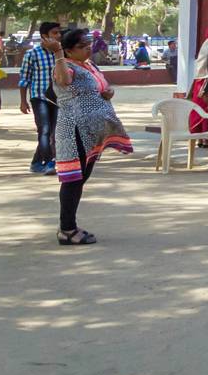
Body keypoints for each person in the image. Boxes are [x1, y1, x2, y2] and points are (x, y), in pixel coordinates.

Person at [52, 27, 133, 244]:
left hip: (91, 131)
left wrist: (108, 92)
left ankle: (68, 225)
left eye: (88, 44)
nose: (88, 48)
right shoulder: (65, 66)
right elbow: (64, 82)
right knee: (73, 179)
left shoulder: (88, 64)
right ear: (68, 50)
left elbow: (101, 87)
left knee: (80, 179)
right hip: (74, 129)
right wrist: (58, 54)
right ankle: (67, 229)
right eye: (81, 46)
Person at [19, 21, 62, 174]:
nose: (58, 36)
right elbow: (24, 79)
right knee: (44, 130)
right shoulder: (32, 54)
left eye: (59, 33)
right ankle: (49, 162)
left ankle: (36, 162)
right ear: (45, 36)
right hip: (39, 97)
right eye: (54, 33)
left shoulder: (60, 54)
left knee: (54, 132)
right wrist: (23, 101)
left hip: (58, 98)